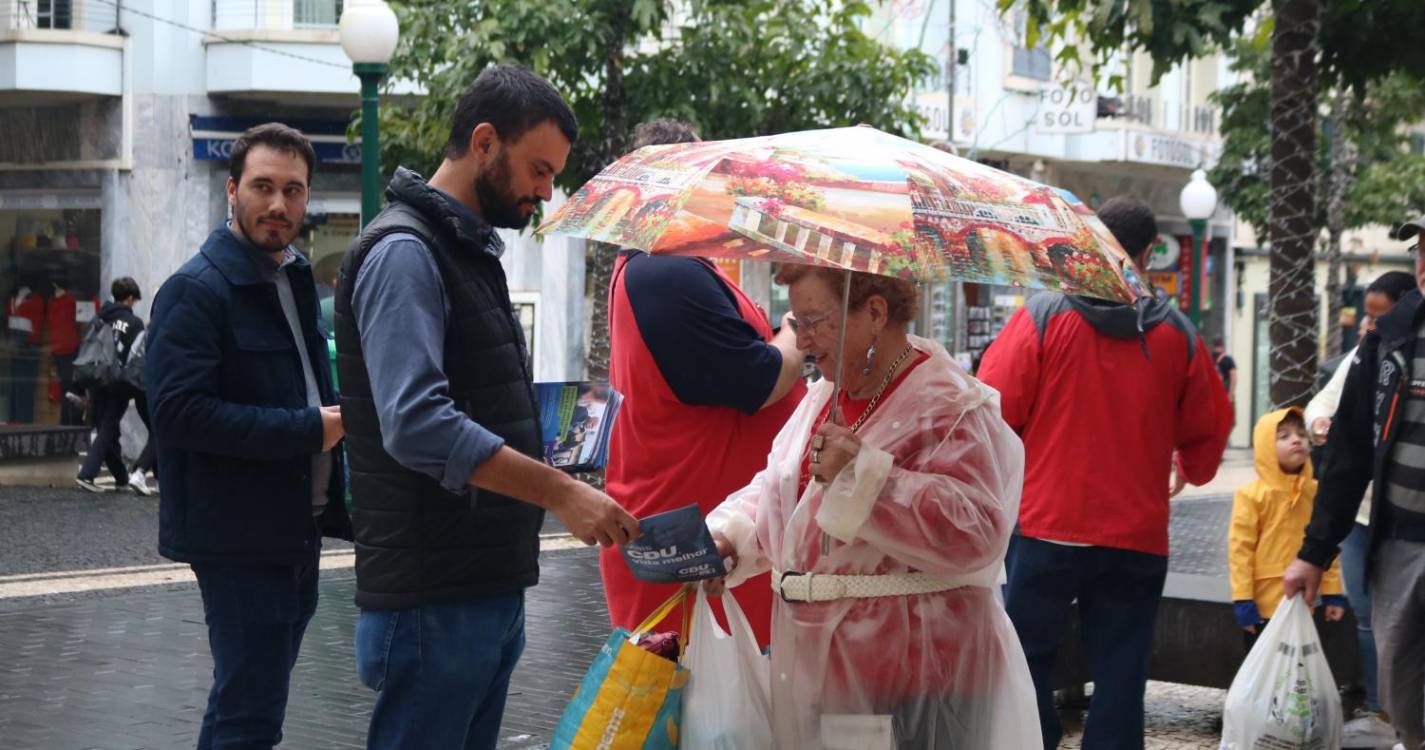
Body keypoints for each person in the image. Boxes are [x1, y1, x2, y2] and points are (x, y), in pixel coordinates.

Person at [335, 65, 639, 750]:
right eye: (537, 169)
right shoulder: (405, 252)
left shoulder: (464, 250)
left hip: (476, 587)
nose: (544, 191)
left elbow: (466, 399)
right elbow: (417, 423)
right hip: (432, 598)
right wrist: (560, 491)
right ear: (482, 142)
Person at [705, 266, 1039, 748]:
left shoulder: (950, 404)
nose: (803, 342)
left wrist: (867, 477)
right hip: (827, 671)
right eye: (796, 323)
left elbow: (978, 531)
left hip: (919, 675)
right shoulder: (826, 394)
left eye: (816, 321)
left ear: (876, 312)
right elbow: (786, 491)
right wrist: (731, 538)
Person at [976, 195, 1232, 750]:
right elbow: (1210, 430)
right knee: (1121, 670)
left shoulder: (1042, 316)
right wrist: (1191, 466)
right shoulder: (1178, 334)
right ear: (1145, 254)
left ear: (1089, 239)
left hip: (1046, 523)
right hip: (1136, 537)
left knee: (1026, 661)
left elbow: (993, 408)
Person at [146, 122, 350, 750]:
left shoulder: (291, 279)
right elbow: (179, 414)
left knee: (253, 700)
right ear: (232, 191)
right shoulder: (195, 290)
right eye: (263, 187)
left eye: (293, 190)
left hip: (297, 528)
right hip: (238, 536)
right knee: (250, 708)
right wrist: (310, 429)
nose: (278, 204)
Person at [602, 117, 805, 647]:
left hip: (696, 532)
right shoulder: (666, 274)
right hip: (690, 542)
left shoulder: (665, 269)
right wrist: (798, 333)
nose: (717, 190)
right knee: (696, 717)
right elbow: (759, 381)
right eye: (706, 176)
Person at [1285, 213, 1425, 749]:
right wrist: (1314, 551)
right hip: (1401, 545)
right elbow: (1349, 455)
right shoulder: (1389, 339)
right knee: (1407, 702)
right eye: (1421, 249)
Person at [1229, 407, 1346, 646]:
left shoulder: (1314, 492)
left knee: (1299, 671)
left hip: (1305, 601)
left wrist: (1333, 591)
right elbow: (1240, 550)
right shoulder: (1251, 496)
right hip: (1263, 605)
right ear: (1265, 447)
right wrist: (1243, 598)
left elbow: (1326, 543)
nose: (1296, 440)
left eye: (1302, 435)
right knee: (1264, 674)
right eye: (1284, 436)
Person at [75, 276, 146, 494]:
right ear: (130, 298)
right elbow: (136, 355)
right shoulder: (134, 323)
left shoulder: (100, 317)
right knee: (108, 427)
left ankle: (121, 477)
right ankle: (87, 474)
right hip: (118, 380)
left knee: (107, 428)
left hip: (97, 377)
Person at [6, 279, 45, 424]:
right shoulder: (12, 299)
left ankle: (23, 421)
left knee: (26, 387)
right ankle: (14, 419)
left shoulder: (35, 299)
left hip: (28, 347)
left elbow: (36, 324)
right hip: (16, 346)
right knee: (16, 387)